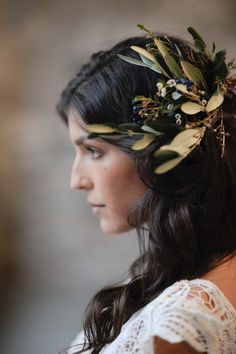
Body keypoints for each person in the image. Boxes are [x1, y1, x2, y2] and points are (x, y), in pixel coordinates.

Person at [57, 24, 236, 354]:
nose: (76, 180)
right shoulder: (184, 275)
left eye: (94, 151)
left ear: (160, 151)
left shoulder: (184, 321)